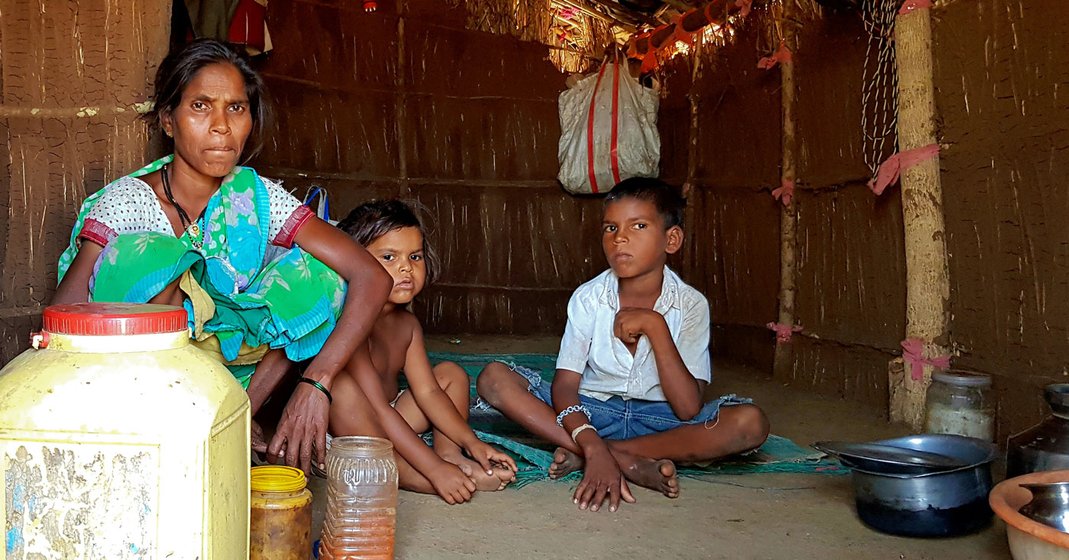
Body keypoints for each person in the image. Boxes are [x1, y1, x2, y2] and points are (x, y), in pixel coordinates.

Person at [52, 39, 392, 474]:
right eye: (200, 106)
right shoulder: (128, 203)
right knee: (150, 256)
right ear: (168, 121)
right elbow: (65, 311)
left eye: (236, 108)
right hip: (141, 382)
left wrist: (315, 383)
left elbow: (370, 276)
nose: (221, 126)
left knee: (323, 273)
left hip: (237, 378)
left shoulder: (255, 197)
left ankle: (234, 418)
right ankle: (177, 432)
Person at [476, 177, 770, 513]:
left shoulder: (690, 305)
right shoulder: (589, 298)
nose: (620, 238)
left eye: (639, 225)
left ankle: (606, 453)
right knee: (494, 378)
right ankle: (613, 456)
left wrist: (655, 327)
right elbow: (566, 386)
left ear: (671, 240)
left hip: (663, 423)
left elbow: (688, 407)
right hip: (594, 412)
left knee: (750, 423)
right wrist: (588, 436)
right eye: (610, 228)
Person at [329, 200, 517, 504]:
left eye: (414, 256)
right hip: (350, 433)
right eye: (389, 257)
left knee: (450, 375)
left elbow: (428, 392)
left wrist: (473, 443)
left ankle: (450, 455)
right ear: (354, 263)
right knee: (342, 390)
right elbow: (376, 409)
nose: (406, 267)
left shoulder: (408, 325)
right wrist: (433, 471)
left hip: (392, 417)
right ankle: (425, 480)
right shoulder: (350, 322)